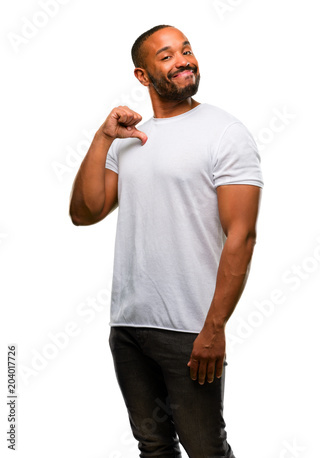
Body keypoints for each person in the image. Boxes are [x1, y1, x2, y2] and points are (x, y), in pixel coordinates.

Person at [68, 24, 262, 458]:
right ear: (142, 75)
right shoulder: (130, 141)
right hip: (130, 325)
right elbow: (84, 213)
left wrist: (214, 328)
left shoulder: (224, 132)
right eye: (167, 56)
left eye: (187, 50)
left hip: (190, 329)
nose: (183, 61)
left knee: (205, 449)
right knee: (153, 447)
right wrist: (103, 138)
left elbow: (242, 235)